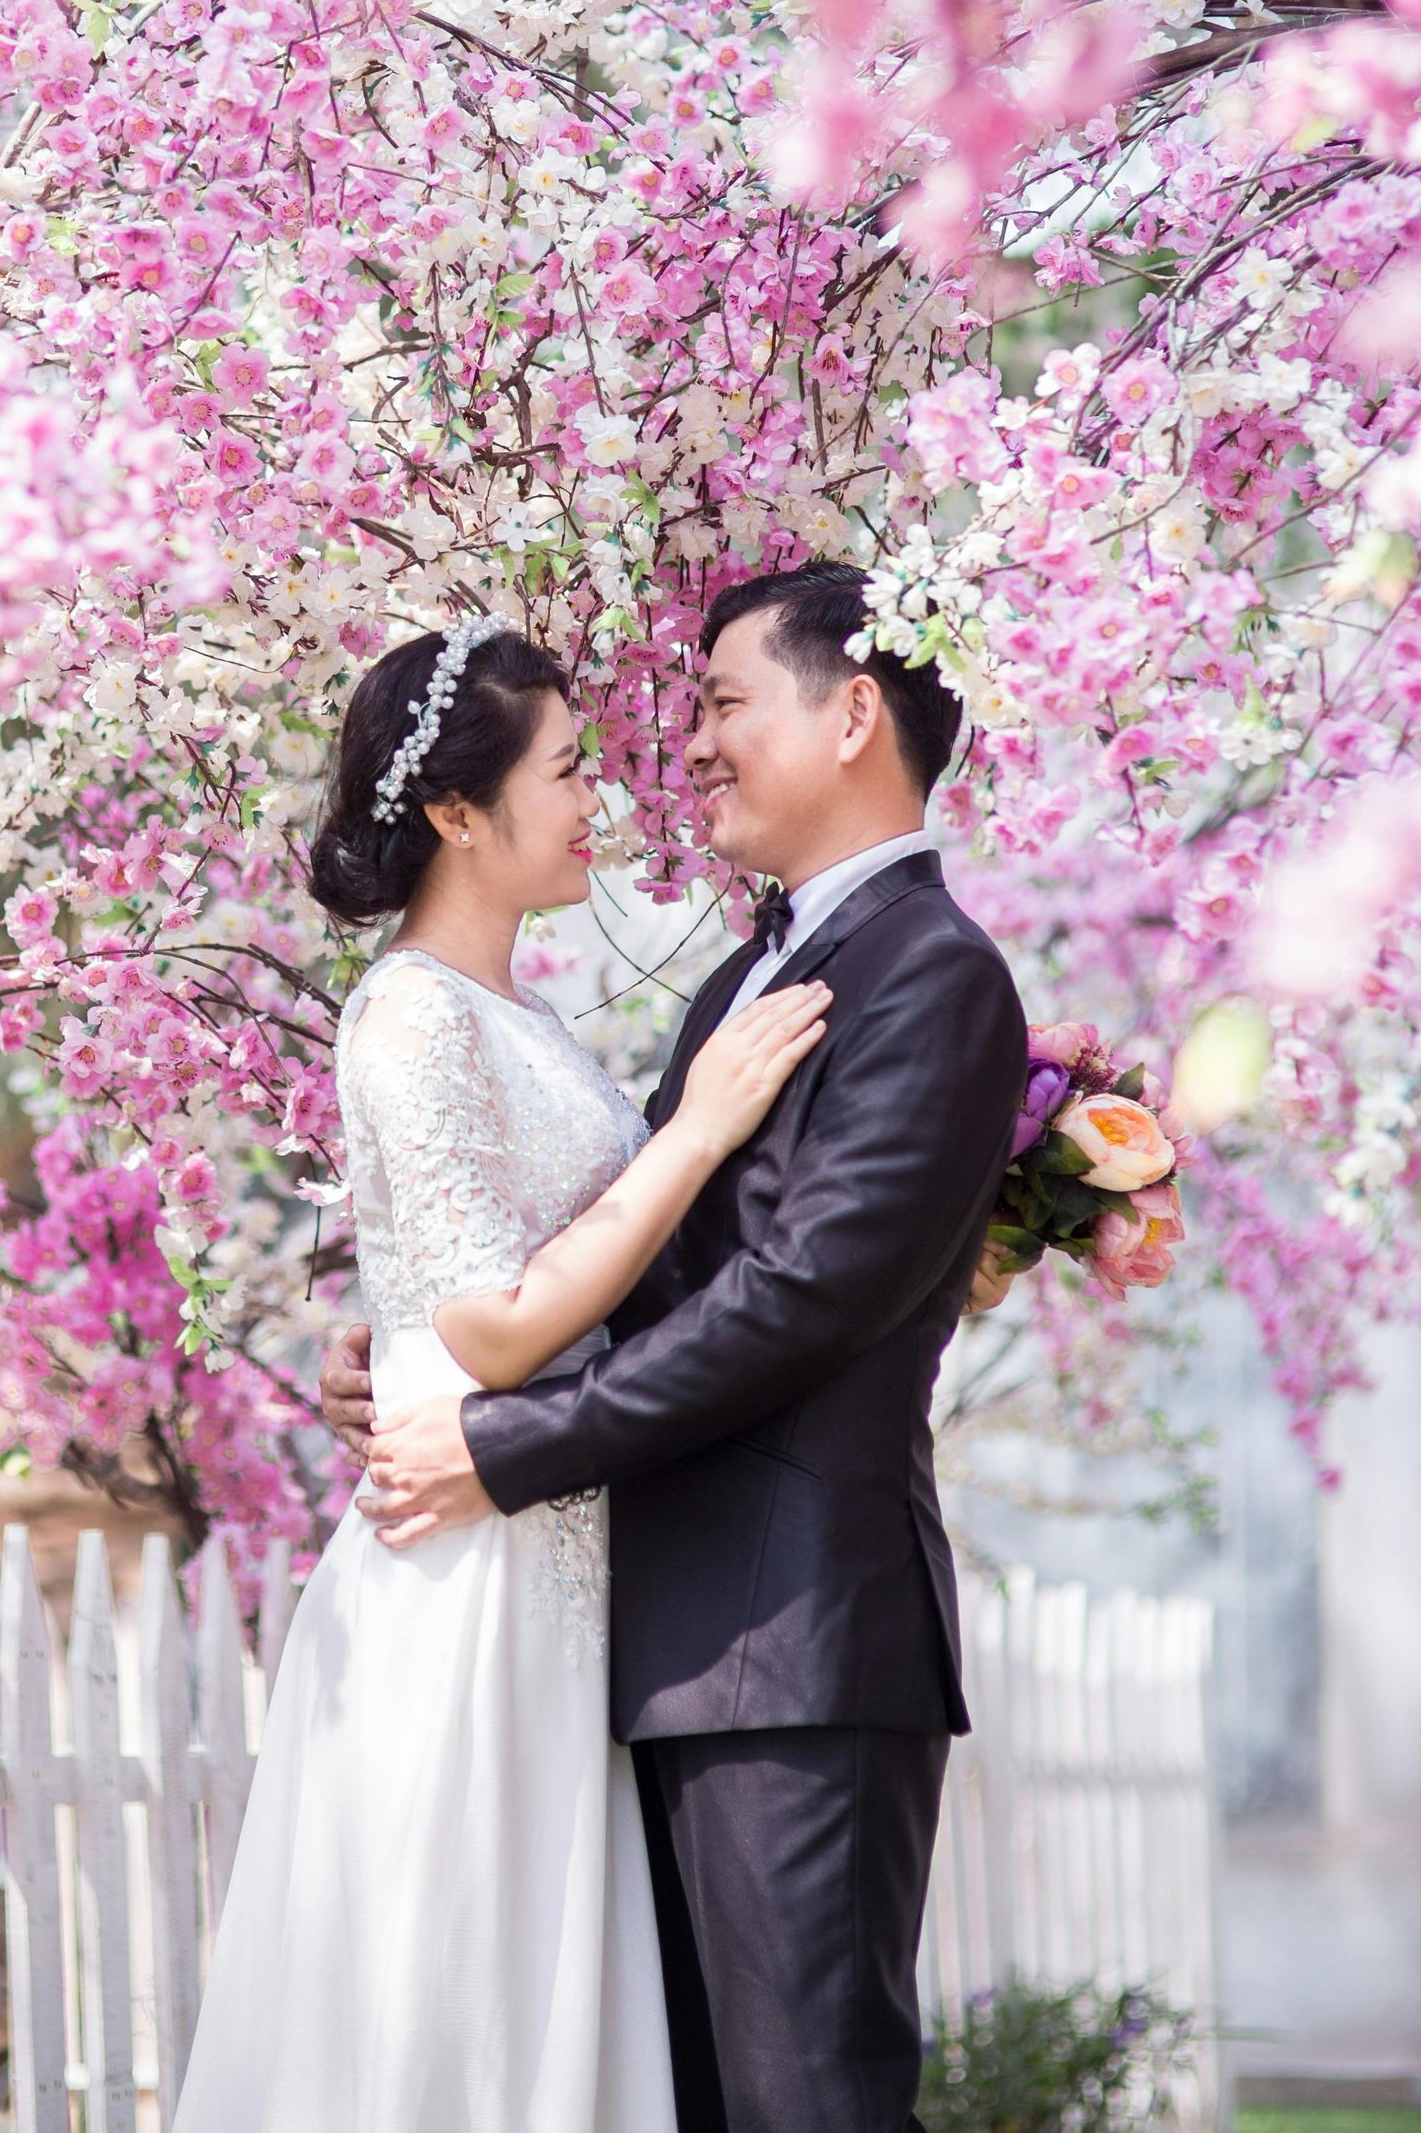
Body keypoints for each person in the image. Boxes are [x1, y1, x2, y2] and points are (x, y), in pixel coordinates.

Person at [331, 561, 1030, 2133]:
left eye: (724, 703)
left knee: (808, 2106)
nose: (689, 746)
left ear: (854, 714)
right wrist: (430, 1378)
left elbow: (796, 1300)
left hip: (792, 1644)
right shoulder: (752, 972)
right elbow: (640, 1267)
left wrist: (500, 1446)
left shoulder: (933, 977)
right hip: (660, 1642)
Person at [174, 614, 831, 2133]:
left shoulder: (517, 1011)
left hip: (545, 1528)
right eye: (570, 767)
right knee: (451, 1983)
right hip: (460, 1560)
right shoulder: (407, 1011)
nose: (603, 792)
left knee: (541, 1967)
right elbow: (489, 1323)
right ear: (461, 814)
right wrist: (699, 1128)